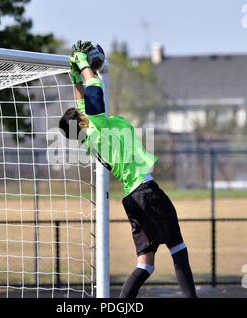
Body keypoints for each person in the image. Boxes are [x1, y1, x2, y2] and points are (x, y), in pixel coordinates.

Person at [59, 41, 197, 298]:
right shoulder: (96, 124)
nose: (82, 112)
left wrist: (75, 76)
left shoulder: (90, 134)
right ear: (81, 122)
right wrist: (85, 65)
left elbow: (82, 105)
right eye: (80, 115)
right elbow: (95, 90)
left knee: (145, 265)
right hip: (146, 191)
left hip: (132, 199)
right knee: (178, 249)